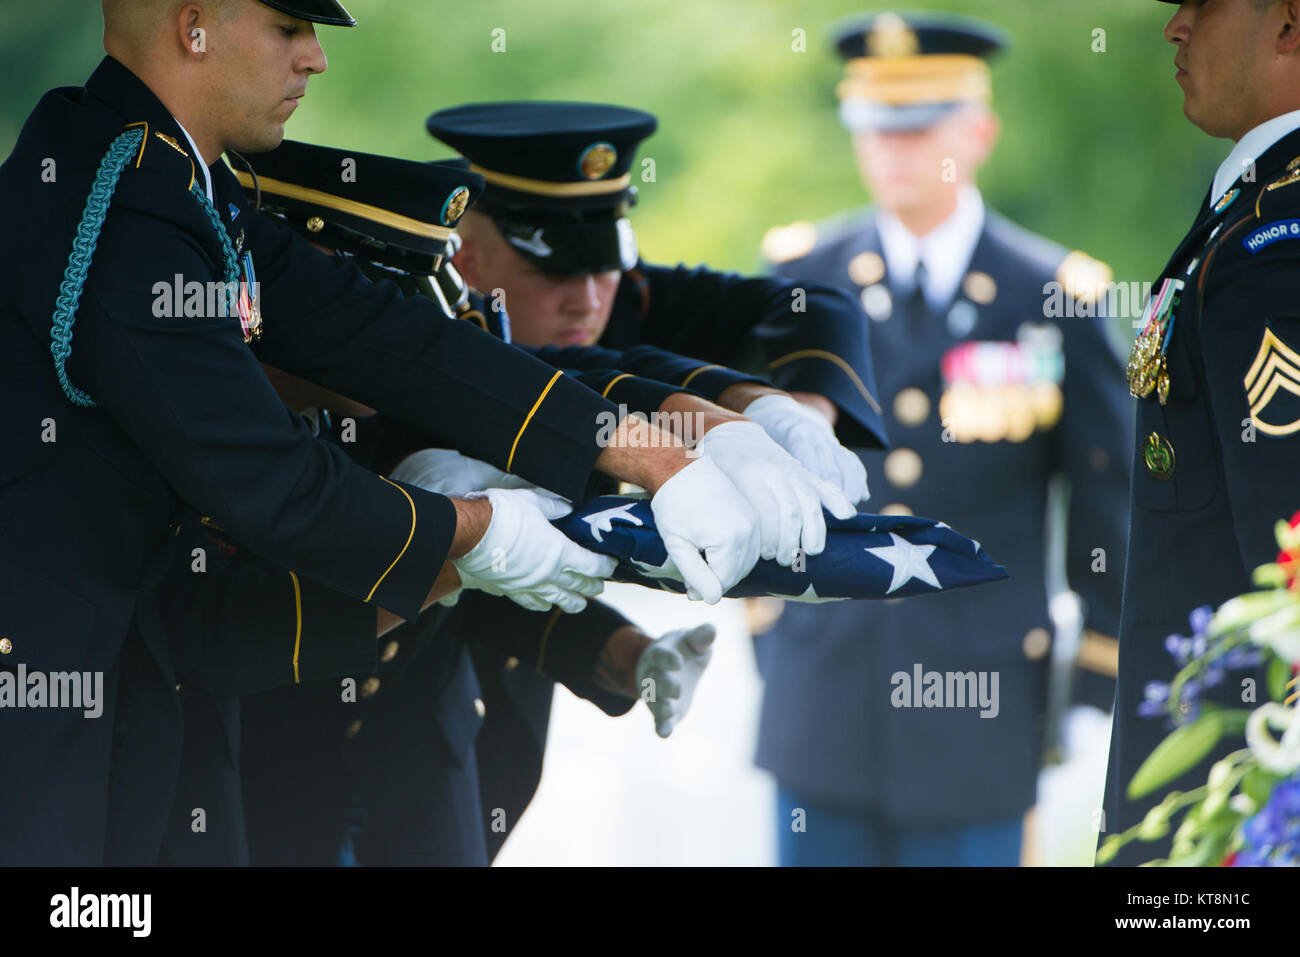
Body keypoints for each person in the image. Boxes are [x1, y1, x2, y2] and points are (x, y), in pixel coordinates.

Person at [0, 0, 785, 865]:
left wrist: (652, 454)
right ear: (195, 27)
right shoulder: (120, 201)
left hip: (139, 689)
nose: (315, 60)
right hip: (56, 713)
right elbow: (271, 481)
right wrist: (485, 534)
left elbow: (378, 333)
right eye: (290, 29)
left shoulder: (173, 182)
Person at [426, 100, 890, 857]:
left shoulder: (610, 302)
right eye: (551, 269)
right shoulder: (412, 303)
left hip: (480, 736)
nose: (586, 299)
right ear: (466, 257)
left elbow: (807, 304)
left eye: (604, 267)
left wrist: (798, 412)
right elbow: (569, 382)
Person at [754, 10, 1133, 866]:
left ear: (981, 132)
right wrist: (763, 632)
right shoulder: (803, 277)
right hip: (822, 696)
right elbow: (754, 465)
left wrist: (1098, 679)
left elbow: (1108, 492)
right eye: (873, 128)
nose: (893, 149)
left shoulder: (1053, 293)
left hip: (981, 708)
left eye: (920, 129)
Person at [1100, 0, 1300, 866]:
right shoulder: (1249, 213)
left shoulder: (1274, 244)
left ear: (1289, 22)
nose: (1175, 27)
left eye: (1204, 2)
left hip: (1233, 797)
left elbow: (1288, 562)